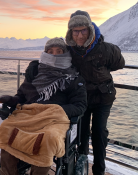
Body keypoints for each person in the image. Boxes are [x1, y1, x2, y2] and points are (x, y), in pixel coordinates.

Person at [25, 10, 125, 175]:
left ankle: (99, 170)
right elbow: (52, 59)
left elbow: (119, 63)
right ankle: (81, 164)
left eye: (83, 30)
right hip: (81, 97)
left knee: (99, 132)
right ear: (71, 32)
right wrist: (34, 65)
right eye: (76, 31)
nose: (80, 35)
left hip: (102, 97)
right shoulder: (69, 49)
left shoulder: (107, 49)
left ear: (90, 28)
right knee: (81, 132)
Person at [0, 37, 87, 175]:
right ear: (45, 53)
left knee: (48, 138)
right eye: (50, 51)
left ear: (65, 53)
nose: (54, 55)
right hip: (29, 115)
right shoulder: (35, 72)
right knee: (6, 128)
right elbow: (21, 96)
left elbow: (80, 106)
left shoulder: (74, 78)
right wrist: (11, 100)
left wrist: (56, 110)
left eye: (58, 51)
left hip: (54, 119)